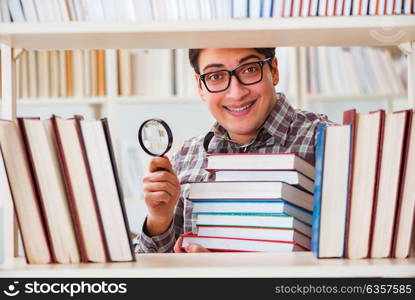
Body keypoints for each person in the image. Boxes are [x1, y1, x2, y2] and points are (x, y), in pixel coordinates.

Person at [135, 47, 332, 253]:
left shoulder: (329, 143)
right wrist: (158, 220)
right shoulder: (185, 157)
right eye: (216, 76)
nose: (236, 93)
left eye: (249, 70)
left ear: (273, 70)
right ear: (200, 87)